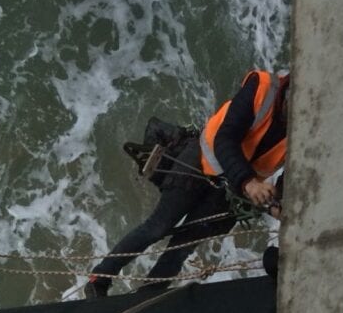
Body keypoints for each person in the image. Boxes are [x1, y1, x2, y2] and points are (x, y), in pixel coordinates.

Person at [84, 69, 289, 298]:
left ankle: (144, 298)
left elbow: (291, 176)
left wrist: (279, 198)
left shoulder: (301, 131)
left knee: (181, 247)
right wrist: (249, 183)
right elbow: (225, 139)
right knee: (158, 227)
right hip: (201, 162)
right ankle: (99, 278)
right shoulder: (262, 86)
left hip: (231, 192)